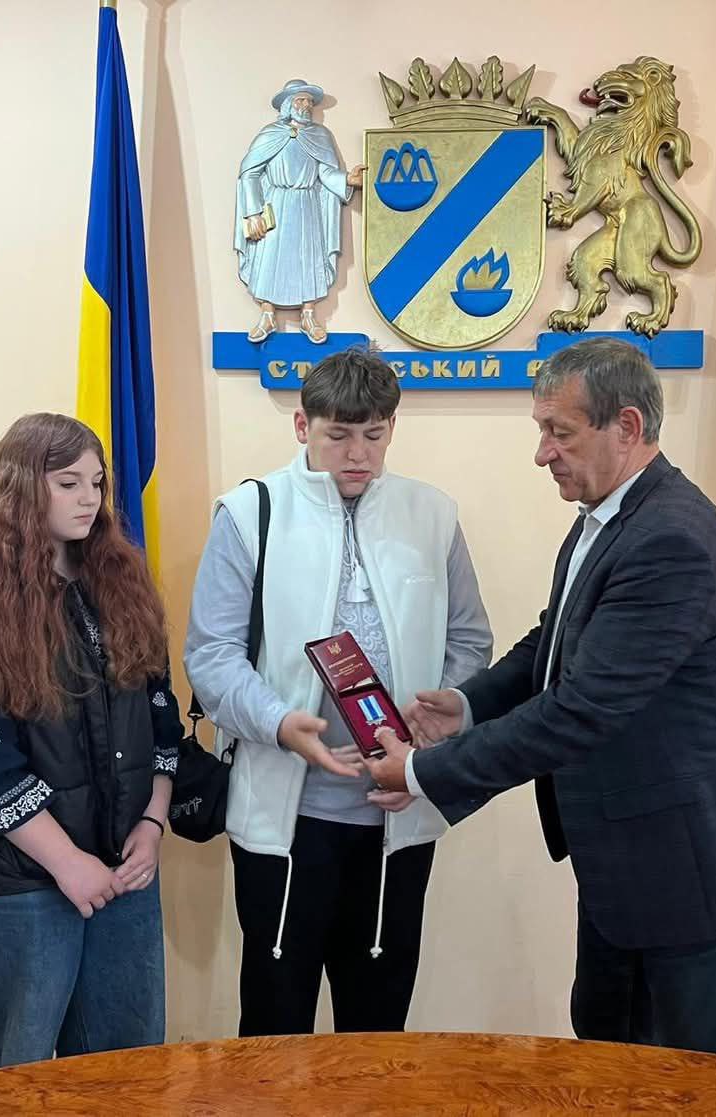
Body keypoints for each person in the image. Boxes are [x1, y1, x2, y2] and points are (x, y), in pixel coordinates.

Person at [365, 336, 716, 1059]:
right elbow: (555, 640)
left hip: (690, 871)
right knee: (609, 1066)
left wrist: (420, 772)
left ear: (626, 427)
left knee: (709, 1086)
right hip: (623, 865)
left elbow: (581, 709)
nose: (543, 454)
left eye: (558, 432)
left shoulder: (672, 540)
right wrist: (466, 705)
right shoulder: (607, 517)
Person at [185, 347, 492, 1037]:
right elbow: (210, 653)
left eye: (375, 435)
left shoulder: (432, 515)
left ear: (392, 428)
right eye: (339, 434)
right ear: (302, 425)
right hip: (284, 820)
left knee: (377, 1026)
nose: (358, 454)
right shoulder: (249, 514)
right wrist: (279, 722)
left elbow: (471, 643)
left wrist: (429, 744)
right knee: (275, 1022)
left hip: (397, 814)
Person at [0, 413, 182, 1074]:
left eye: (97, 482)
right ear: (23, 486)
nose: (90, 498)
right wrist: (68, 862)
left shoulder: (121, 585)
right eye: (68, 482)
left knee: (122, 1076)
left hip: (121, 870)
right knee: (9, 1077)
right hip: (13, 881)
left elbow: (161, 718)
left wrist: (150, 826)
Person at [235, 78, 365, 344]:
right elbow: (249, 173)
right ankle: (267, 315)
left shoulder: (320, 135)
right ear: (287, 104)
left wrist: (347, 180)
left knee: (309, 257)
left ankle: (308, 315)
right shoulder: (270, 134)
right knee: (270, 257)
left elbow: (325, 173)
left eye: (309, 101)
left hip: (307, 206)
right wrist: (253, 212)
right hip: (276, 204)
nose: (306, 105)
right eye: (300, 100)